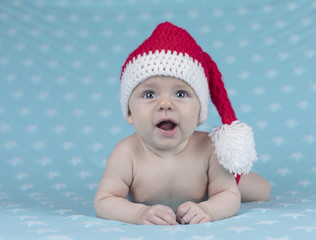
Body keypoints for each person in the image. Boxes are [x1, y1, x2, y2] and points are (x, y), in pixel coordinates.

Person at [94, 22, 271, 225]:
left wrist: (208, 209)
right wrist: (137, 214)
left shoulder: (208, 149)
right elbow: (104, 201)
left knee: (262, 191)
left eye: (180, 94)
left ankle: (248, 180)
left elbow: (229, 196)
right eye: (149, 94)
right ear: (129, 112)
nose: (165, 104)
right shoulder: (126, 153)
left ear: (199, 113)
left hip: (216, 185)